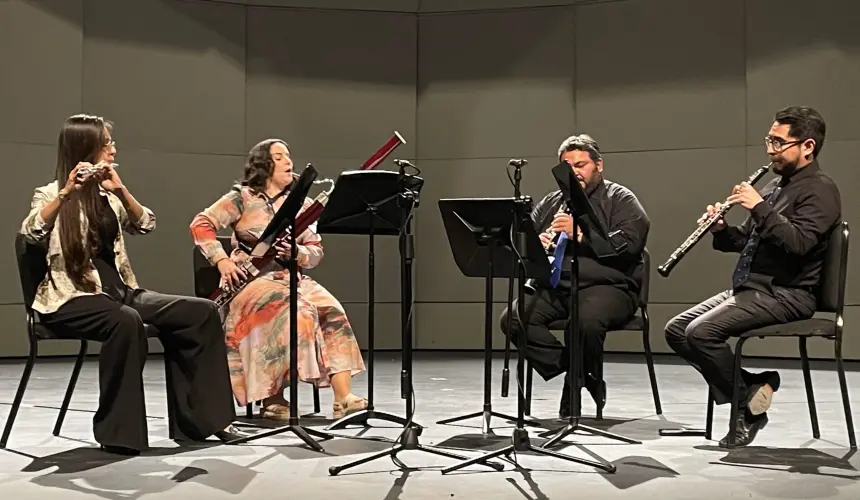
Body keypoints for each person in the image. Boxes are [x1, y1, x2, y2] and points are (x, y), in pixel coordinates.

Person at [20, 114, 244, 455]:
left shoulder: (108, 195)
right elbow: (31, 231)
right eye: (107, 143)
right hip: (70, 297)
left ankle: (204, 422)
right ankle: (119, 433)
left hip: (122, 291)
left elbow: (145, 224)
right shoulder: (50, 193)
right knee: (125, 321)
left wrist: (121, 190)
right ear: (86, 147)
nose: (113, 149)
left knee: (200, 312)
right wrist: (67, 192)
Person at [665, 106, 841, 447]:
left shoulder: (821, 190)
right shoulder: (777, 186)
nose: (770, 149)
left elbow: (799, 244)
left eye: (778, 142)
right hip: (753, 288)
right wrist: (719, 228)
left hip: (789, 294)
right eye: (769, 140)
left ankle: (746, 407)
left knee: (701, 333)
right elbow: (745, 240)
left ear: (807, 146)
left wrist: (760, 207)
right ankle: (750, 391)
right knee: (676, 331)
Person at [190, 138, 367, 421]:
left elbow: (316, 251)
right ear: (264, 164)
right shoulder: (242, 198)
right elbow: (201, 224)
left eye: (288, 156)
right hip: (252, 282)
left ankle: (343, 397)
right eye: (280, 156)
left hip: (291, 277)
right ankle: (272, 398)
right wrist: (221, 261)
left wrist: (298, 253)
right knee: (294, 311)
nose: (289, 162)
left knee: (331, 309)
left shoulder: (303, 205)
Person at [500, 134, 650, 418]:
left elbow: (630, 244)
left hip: (609, 285)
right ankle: (580, 371)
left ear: (599, 165)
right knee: (514, 319)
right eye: (567, 167)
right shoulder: (552, 201)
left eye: (581, 165)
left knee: (586, 321)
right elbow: (523, 239)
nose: (575, 172)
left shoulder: (620, 199)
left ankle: (573, 385)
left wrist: (580, 235)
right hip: (558, 286)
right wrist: (537, 244)